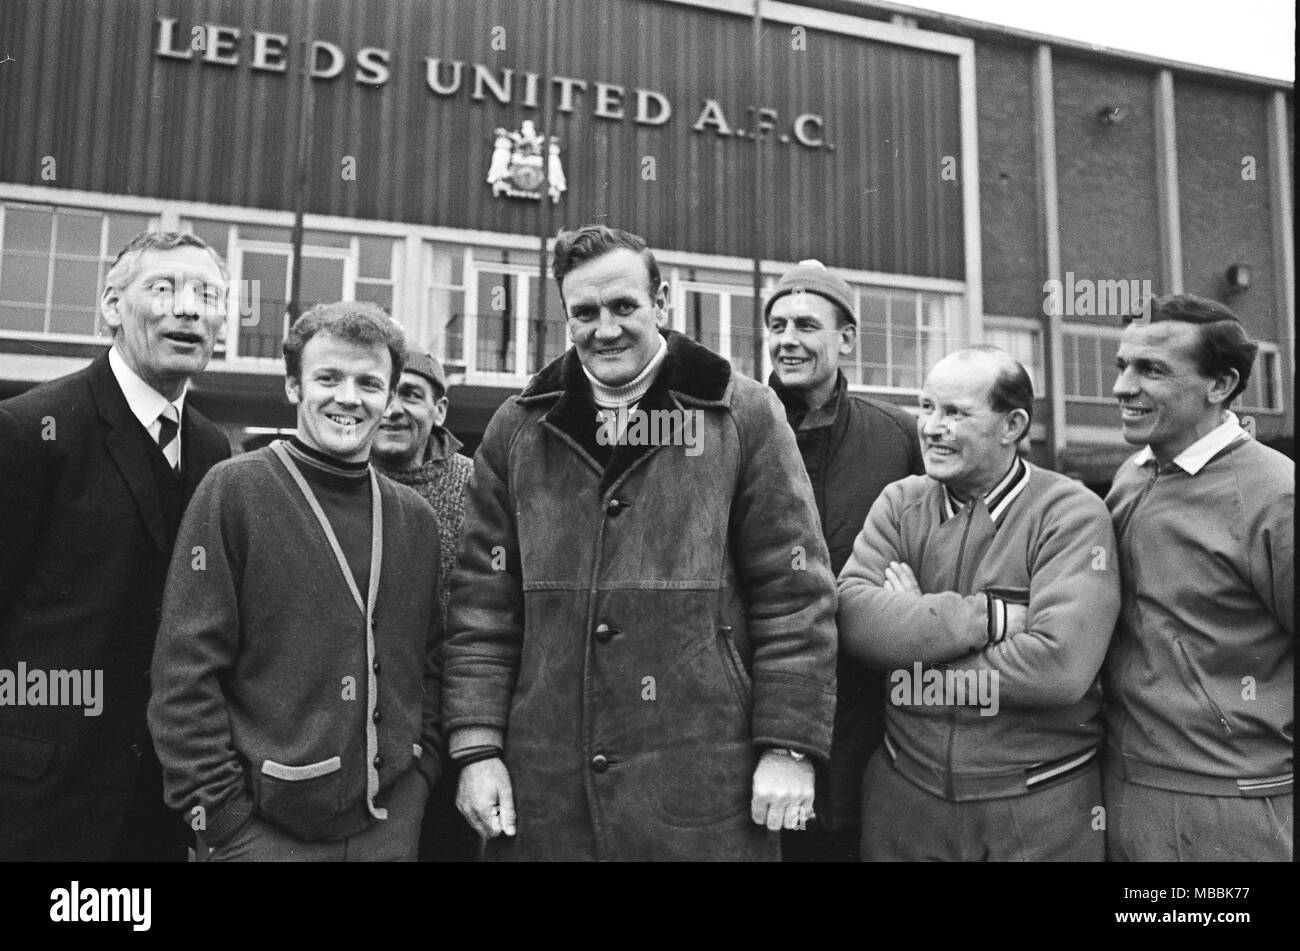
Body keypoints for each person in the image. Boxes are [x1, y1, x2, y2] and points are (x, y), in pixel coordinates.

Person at [441, 224, 838, 861]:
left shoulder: (743, 414)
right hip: (548, 791)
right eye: (585, 312)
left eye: (624, 306)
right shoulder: (517, 428)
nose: (606, 329)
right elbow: (482, 604)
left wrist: (789, 746)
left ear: (661, 304)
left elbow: (795, 596)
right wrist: (478, 748)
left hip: (706, 781)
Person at [148, 302, 444, 862]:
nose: (349, 398)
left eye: (369, 383)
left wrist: (420, 776)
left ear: (388, 395)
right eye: (327, 378)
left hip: (389, 827)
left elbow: (427, 660)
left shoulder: (414, 518)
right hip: (261, 832)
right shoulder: (234, 490)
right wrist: (224, 820)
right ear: (292, 385)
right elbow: (184, 673)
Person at [0, 231, 232, 860]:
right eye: (165, 288)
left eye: (208, 295)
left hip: (158, 796)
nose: (189, 309)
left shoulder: (214, 450)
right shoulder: (31, 430)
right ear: (111, 306)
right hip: (38, 795)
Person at [837, 346, 1119, 861]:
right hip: (905, 798)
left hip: (1037, 804)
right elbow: (853, 621)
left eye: (955, 413)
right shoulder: (900, 503)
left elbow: (1059, 669)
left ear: (1012, 425)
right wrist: (987, 618)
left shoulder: (1071, 513)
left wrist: (913, 644)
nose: (932, 427)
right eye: (927, 408)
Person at [1103, 294, 1293, 861]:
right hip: (1124, 785)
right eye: (1122, 367)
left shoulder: (1276, 495)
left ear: (1220, 385)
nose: (1122, 387)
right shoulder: (1132, 474)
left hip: (1233, 806)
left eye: (1151, 370)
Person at [763, 259, 922, 862]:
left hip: (868, 717)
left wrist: (918, 603)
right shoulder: (735, 426)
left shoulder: (896, 435)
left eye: (806, 325)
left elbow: (931, 543)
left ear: (847, 339)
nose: (787, 340)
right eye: (777, 325)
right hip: (763, 713)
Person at [371, 348, 477, 862]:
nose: (392, 408)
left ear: (439, 410)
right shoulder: (338, 474)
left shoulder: (476, 485)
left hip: (450, 717)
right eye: (384, 391)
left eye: (410, 395)